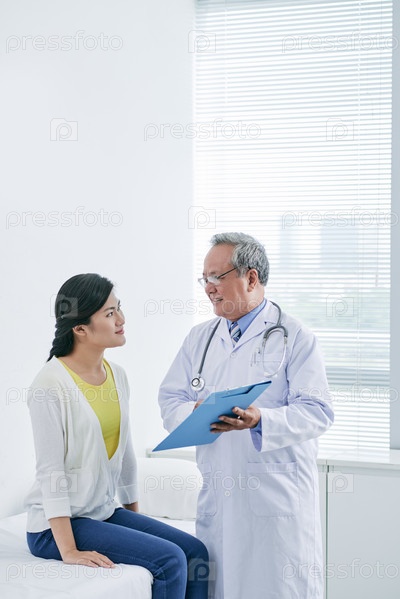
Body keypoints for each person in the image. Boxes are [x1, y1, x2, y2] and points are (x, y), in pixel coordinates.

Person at [158, 233, 334, 599]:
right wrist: (193, 413)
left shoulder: (296, 336)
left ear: (251, 278)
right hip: (220, 495)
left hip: (276, 500)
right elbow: (171, 398)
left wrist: (260, 420)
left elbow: (317, 411)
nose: (209, 288)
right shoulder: (200, 338)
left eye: (216, 277)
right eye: (204, 279)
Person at [24, 273, 209, 599]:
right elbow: (50, 473)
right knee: (170, 560)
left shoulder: (117, 376)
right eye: (110, 313)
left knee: (195, 552)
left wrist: (134, 521)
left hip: (103, 511)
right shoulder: (49, 385)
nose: (121, 319)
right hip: (55, 528)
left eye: (119, 308)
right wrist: (69, 550)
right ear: (80, 329)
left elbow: (125, 457)